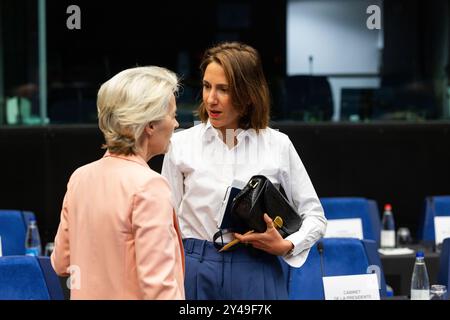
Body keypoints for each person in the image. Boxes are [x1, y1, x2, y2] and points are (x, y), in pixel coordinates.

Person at [162, 42, 327, 300]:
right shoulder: (180, 144)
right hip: (195, 264)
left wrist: (286, 245)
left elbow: (315, 216)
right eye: (206, 86)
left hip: (256, 266)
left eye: (223, 89)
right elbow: (164, 223)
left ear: (248, 94)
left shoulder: (277, 144)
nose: (211, 99)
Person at [51, 66, 185, 300]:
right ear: (150, 125)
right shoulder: (150, 186)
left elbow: (61, 263)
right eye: (172, 114)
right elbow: (159, 289)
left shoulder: (79, 177)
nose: (175, 123)